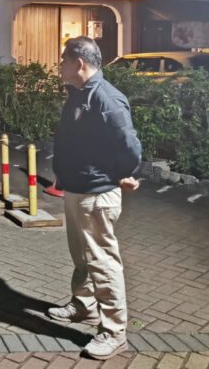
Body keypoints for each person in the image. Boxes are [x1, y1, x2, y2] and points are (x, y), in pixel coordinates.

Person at [48, 36, 142, 361]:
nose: (59, 65)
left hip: (96, 194)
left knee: (102, 263)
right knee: (82, 257)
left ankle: (114, 333)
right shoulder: (80, 93)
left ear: (79, 63)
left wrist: (120, 173)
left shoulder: (106, 98)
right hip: (77, 189)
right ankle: (84, 305)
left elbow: (129, 147)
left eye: (63, 60)